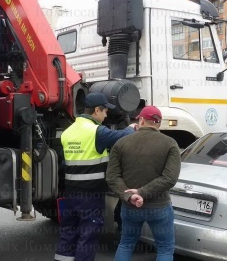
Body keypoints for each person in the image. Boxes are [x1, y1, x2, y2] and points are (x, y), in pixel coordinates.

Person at [54, 92, 136, 261]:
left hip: (70, 192)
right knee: (89, 234)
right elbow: (122, 137)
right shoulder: (96, 131)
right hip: (90, 194)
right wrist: (132, 128)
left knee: (69, 232)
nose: (106, 116)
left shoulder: (68, 132)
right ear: (96, 110)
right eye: (105, 111)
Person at [106, 106, 181, 261]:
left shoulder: (121, 143)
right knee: (165, 248)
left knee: (126, 244)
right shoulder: (170, 144)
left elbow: (112, 176)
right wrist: (143, 192)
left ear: (141, 120)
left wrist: (130, 196)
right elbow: (169, 178)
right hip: (159, 207)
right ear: (158, 124)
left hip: (130, 207)